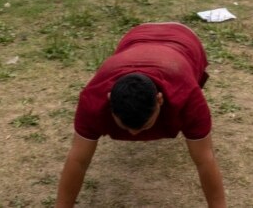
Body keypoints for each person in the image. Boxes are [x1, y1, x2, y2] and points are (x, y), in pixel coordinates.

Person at [55, 22, 226, 207]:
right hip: (135, 37)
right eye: (124, 127)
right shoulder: (93, 98)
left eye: (144, 126)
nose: (135, 135)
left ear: (160, 100)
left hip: (185, 41)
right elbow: (78, 161)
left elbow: (205, 160)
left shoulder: (187, 94)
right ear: (109, 100)